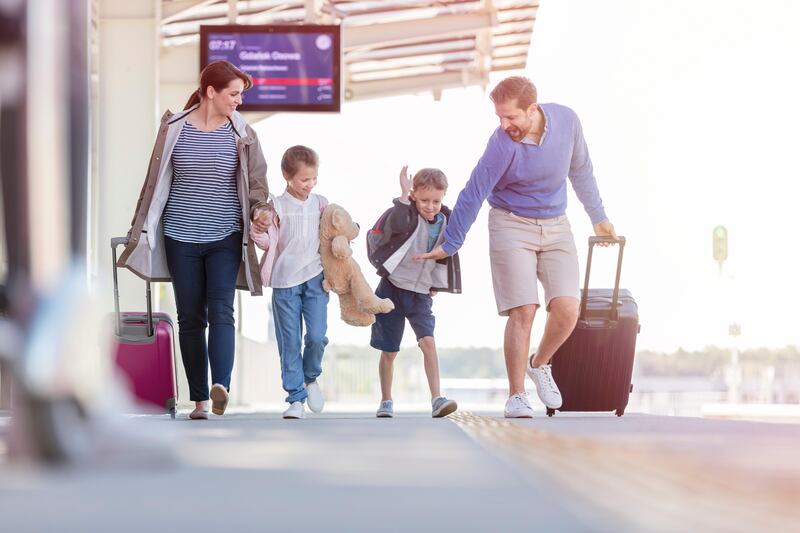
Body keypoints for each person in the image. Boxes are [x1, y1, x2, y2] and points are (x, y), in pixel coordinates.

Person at [415, 76, 618, 418]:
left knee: (568, 308)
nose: (504, 125)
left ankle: (539, 364)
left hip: (556, 224)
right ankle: (516, 395)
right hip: (510, 222)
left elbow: (581, 171)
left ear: (533, 109)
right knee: (524, 310)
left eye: (511, 117)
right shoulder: (502, 144)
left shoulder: (567, 121)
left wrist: (598, 218)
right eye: (499, 117)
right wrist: (451, 242)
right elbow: (474, 191)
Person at [117, 60, 271, 420]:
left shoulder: (243, 134)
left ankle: (221, 387)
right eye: (233, 94)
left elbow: (258, 183)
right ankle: (199, 401)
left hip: (225, 235)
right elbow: (153, 183)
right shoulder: (174, 128)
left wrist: (262, 210)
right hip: (179, 235)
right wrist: (138, 227)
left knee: (221, 310)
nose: (239, 101)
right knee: (189, 317)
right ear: (210, 92)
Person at [370, 166, 461, 418]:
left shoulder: (446, 220)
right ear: (414, 195)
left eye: (436, 201)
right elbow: (396, 224)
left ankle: (436, 398)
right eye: (424, 200)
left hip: (420, 294)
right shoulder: (406, 214)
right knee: (389, 350)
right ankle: (386, 400)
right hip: (392, 289)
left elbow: (447, 254)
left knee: (428, 342)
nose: (430, 206)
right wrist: (402, 195)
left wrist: (437, 283)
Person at [251, 145, 329, 420]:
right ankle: (296, 398)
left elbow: (333, 235)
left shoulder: (321, 203)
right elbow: (265, 242)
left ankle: (311, 377)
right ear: (288, 177)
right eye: (304, 179)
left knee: (317, 336)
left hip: (316, 280)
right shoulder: (276, 206)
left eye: (313, 178)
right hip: (285, 282)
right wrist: (257, 229)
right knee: (290, 342)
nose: (310, 184)